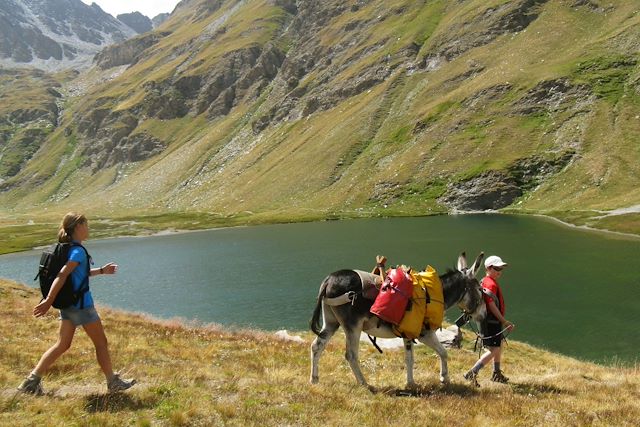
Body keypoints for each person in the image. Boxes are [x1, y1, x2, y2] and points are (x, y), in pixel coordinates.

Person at [17, 212, 136, 395]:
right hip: (82, 306)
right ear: (78, 227)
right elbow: (63, 275)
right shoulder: (78, 251)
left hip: (68, 306)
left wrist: (102, 271)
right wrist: (48, 301)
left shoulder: (68, 248)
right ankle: (113, 381)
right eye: (85, 225)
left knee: (62, 344)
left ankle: (31, 382)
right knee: (101, 343)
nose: (88, 228)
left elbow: (79, 274)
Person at [463, 255, 514, 387]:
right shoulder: (491, 283)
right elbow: (491, 305)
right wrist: (503, 321)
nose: (499, 272)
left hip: (489, 321)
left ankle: (496, 373)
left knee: (498, 345)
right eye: (496, 268)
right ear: (488, 268)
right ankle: (472, 373)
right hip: (492, 322)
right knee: (492, 350)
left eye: (501, 269)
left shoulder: (485, 280)